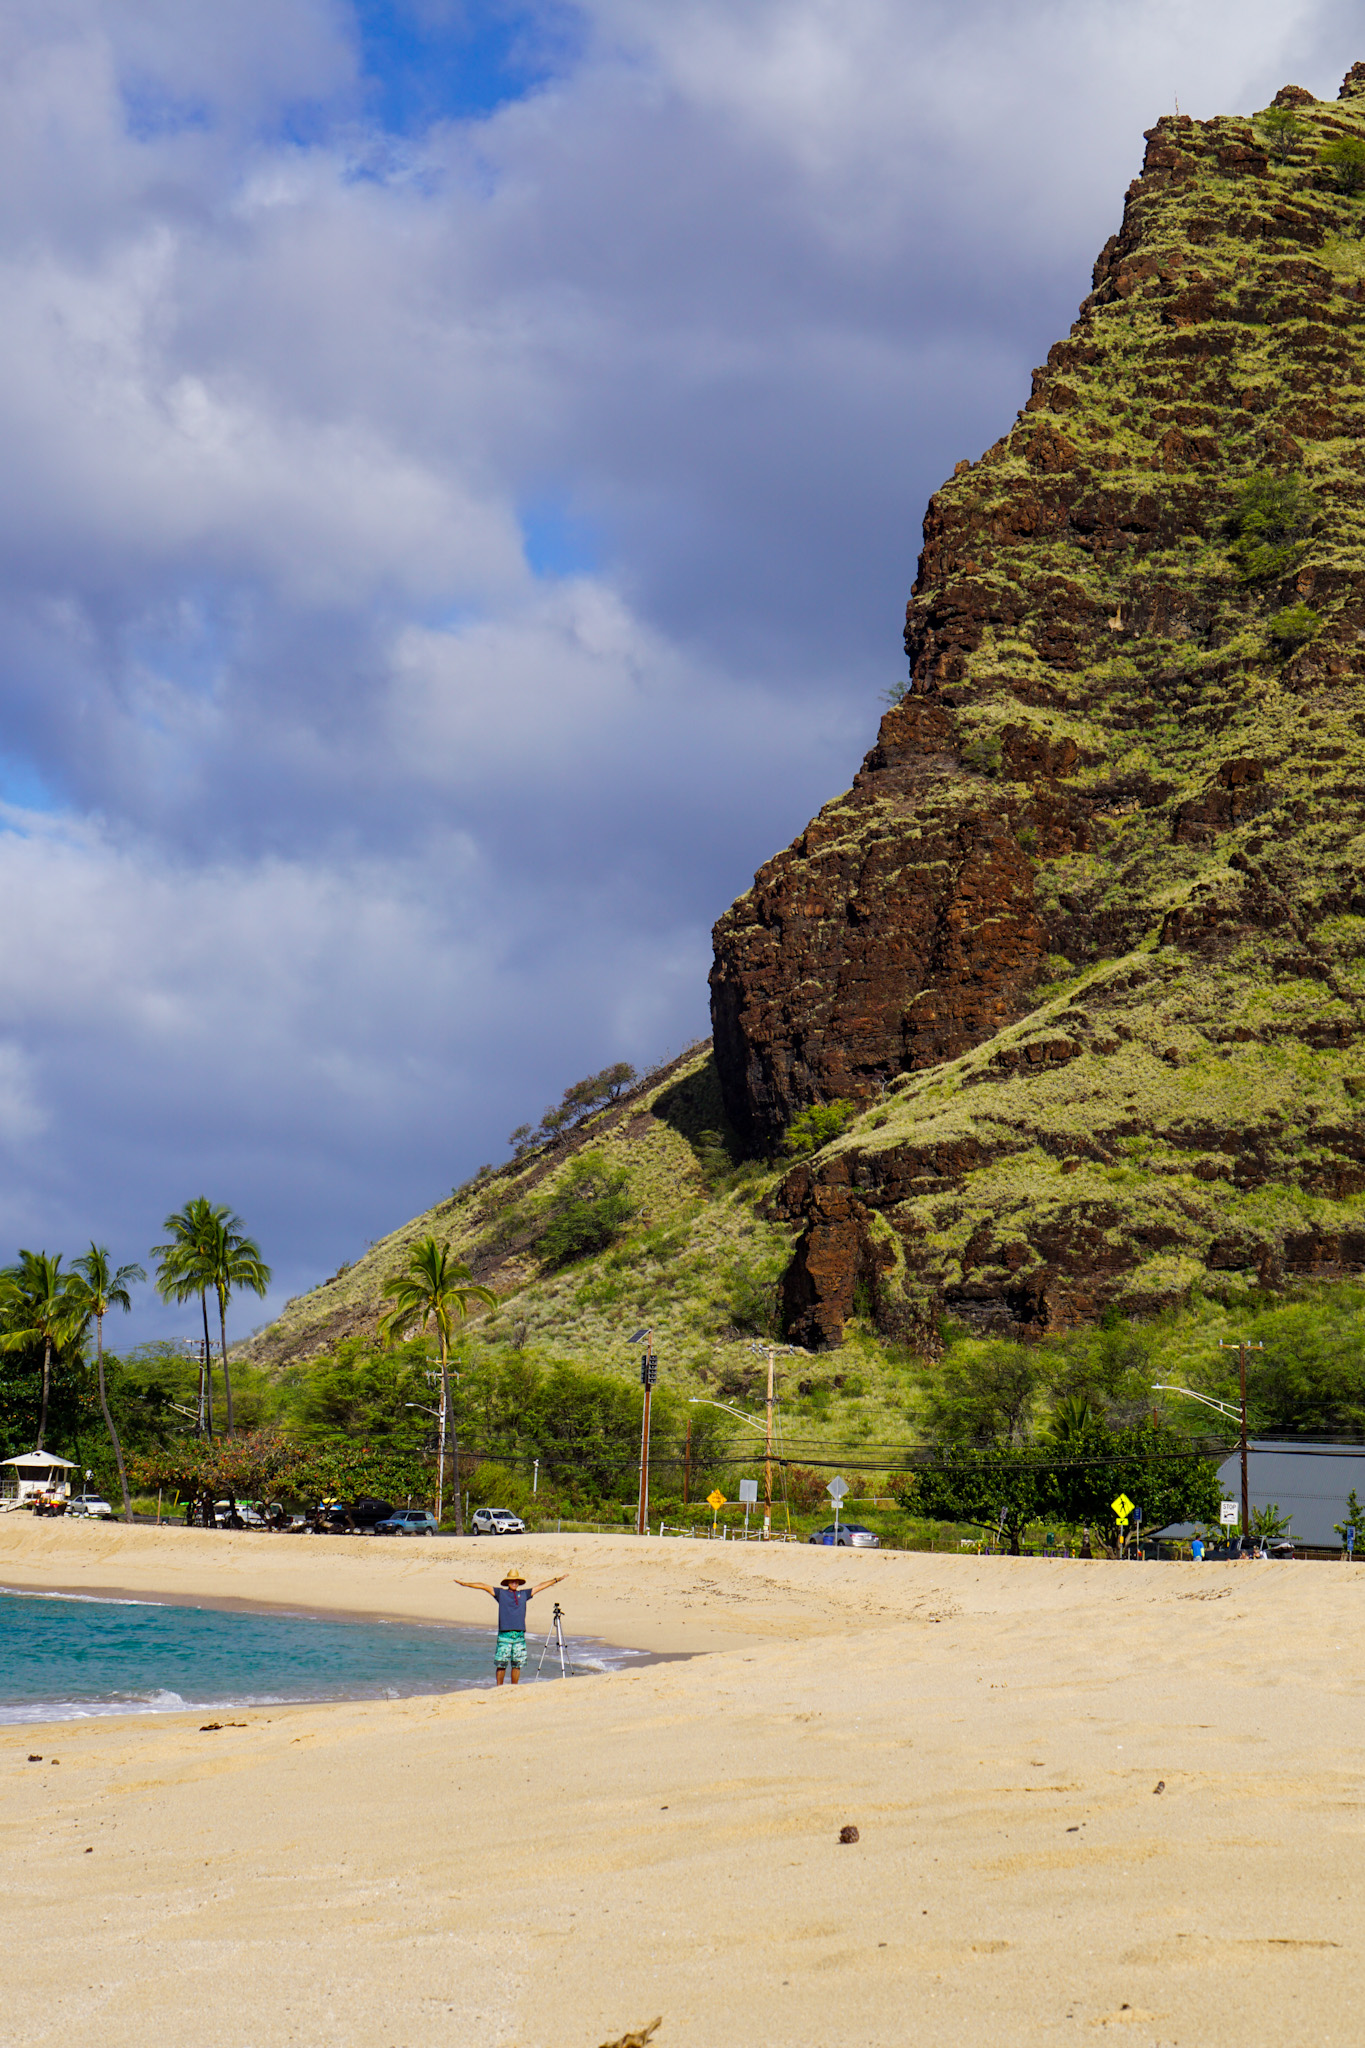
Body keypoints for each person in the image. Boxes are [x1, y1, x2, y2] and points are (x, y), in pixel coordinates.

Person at [454, 1568, 567, 1685]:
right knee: (501, 1664)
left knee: (517, 1664)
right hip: (504, 1634)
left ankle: (514, 1688)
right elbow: (483, 1586)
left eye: (516, 1581)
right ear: (507, 1582)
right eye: (512, 1581)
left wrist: (556, 1580)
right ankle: (499, 1688)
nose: (514, 1583)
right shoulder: (500, 1593)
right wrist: (465, 1584)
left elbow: (540, 1586)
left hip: (519, 1634)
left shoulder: (524, 1594)